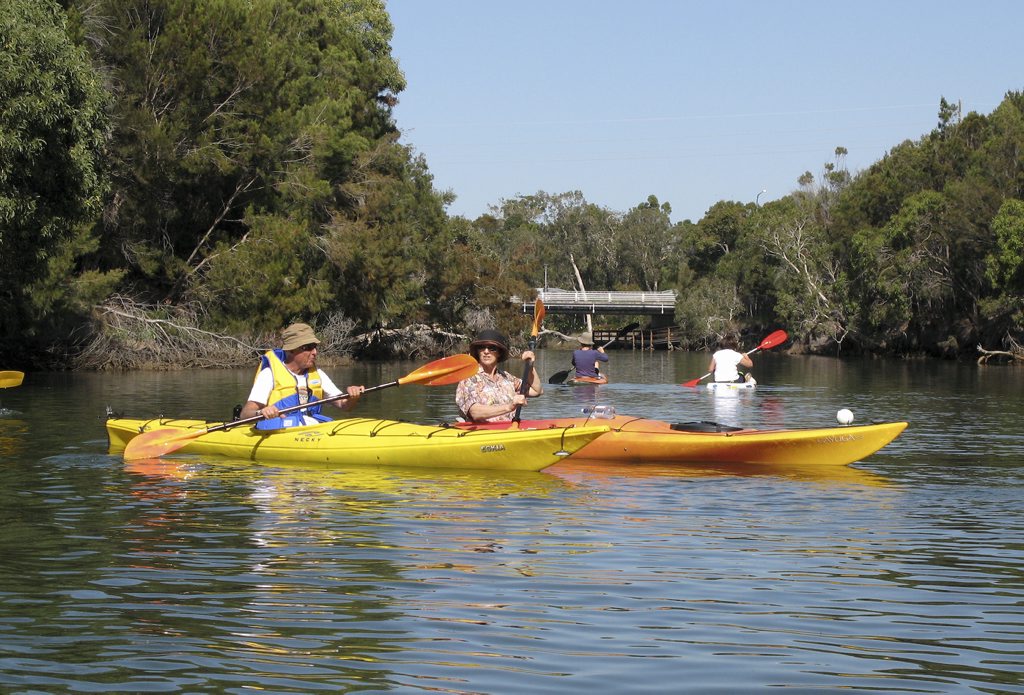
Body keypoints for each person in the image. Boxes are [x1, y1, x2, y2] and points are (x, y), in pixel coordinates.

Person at [240, 322, 365, 429]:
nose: (314, 352)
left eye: (315, 347)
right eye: (308, 347)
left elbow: (344, 405)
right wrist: (261, 412)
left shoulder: (317, 374)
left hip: (312, 430)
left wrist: (353, 397)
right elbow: (245, 414)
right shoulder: (269, 375)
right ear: (291, 350)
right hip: (281, 432)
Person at [456, 329, 543, 422]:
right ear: (477, 352)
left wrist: (529, 366)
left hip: (509, 431)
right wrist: (509, 407)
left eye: (492, 348)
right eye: (482, 347)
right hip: (482, 434)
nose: (486, 351)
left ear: (499, 352)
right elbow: (475, 412)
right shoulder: (468, 379)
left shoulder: (507, 378)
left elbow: (536, 391)